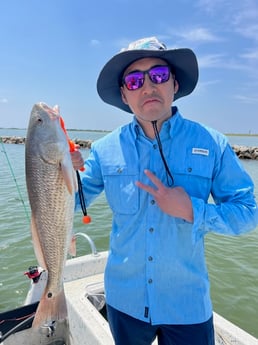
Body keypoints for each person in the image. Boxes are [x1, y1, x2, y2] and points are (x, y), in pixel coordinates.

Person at [71, 37, 258, 345]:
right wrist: (58, 168)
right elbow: (74, 202)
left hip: (187, 304)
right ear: (124, 94)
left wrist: (192, 210)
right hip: (124, 300)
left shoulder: (213, 144)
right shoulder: (104, 150)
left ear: (174, 83)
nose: (147, 86)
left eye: (158, 75)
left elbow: (248, 213)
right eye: (134, 80)